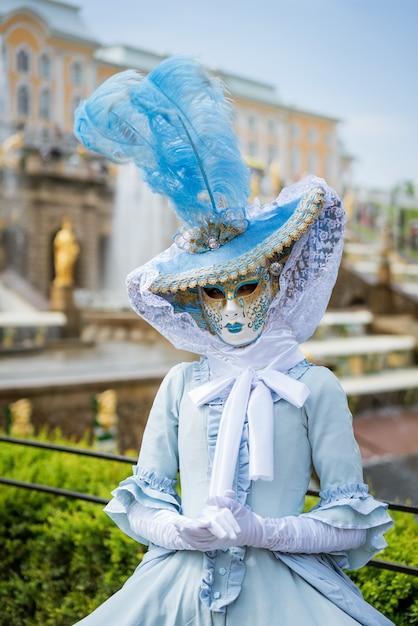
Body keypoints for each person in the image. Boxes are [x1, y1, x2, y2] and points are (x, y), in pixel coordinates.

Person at [73, 56, 394, 625]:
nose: (230, 306)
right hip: (178, 580)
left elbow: (349, 520)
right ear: (194, 302)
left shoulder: (313, 387)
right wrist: (180, 529)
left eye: (245, 285)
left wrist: (262, 531)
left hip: (286, 592)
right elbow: (143, 499)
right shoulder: (182, 384)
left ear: (274, 281)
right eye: (211, 294)